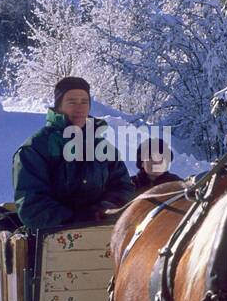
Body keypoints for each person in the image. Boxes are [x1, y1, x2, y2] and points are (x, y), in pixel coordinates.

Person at [12, 76, 135, 230]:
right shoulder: (36, 149)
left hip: (103, 233)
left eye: (84, 102)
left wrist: (106, 208)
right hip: (54, 239)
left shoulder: (103, 147)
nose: (80, 108)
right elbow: (33, 205)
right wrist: (79, 218)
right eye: (71, 102)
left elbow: (123, 188)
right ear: (58, 107)